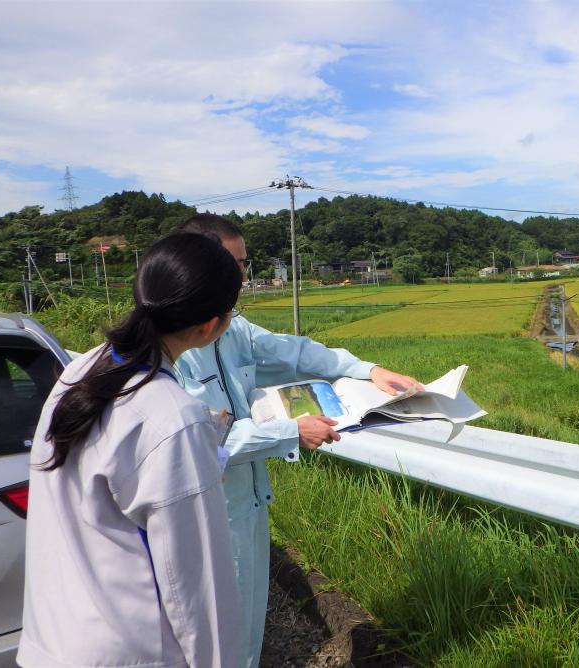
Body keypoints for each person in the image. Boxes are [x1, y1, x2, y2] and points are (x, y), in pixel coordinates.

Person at [175, 213, 421, 668]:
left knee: (248, 627)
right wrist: (293, 430)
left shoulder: (232, 329)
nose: (243, 277)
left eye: (244, 264)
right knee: (212, 638)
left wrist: (369, 371)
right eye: (236, 265)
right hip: (207, 515)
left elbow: (295, 351)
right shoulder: (174, 347)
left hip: (247, 504)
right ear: (200, 266)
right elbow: (201, 438)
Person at [18, 233, 244, 667]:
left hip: (54, 644)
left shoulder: (83, 370)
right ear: (210, 326)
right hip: (131, 653)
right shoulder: (172, 418)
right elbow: (198, 588)